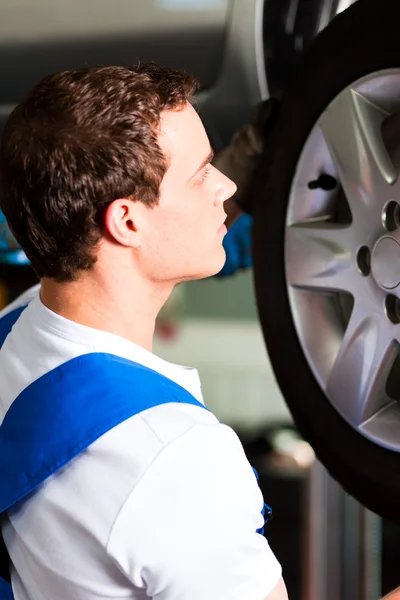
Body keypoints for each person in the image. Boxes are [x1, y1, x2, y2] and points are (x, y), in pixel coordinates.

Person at [0, 64, 288, 600]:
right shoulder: (173, 459)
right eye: (203, 171)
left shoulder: (15, 331)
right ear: (127, 222)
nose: (224, 183)